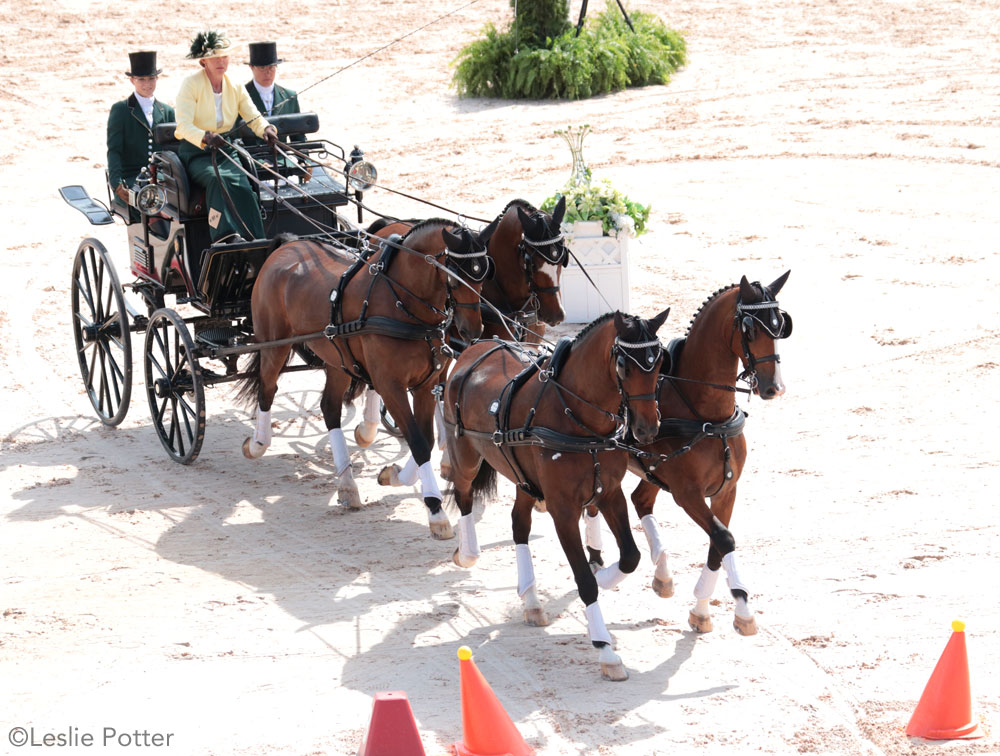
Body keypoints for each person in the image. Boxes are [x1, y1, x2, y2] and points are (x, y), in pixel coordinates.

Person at [174, 30, 278, 243]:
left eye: (224, 56)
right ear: (204, 61)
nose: (221, 61)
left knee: (244, 184)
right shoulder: (190, 84)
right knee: (215, 179)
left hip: (225, 149)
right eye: (215, 57)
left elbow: (253, 116)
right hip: (196, 152)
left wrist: (266, 129)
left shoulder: (235, 85)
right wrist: (205, 137)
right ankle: (224, 235)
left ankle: (255, 236)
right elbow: (183, 126)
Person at [106, 51, 175, 220]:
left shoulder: (167, 111)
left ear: (157, 79)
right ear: (132, 80)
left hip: (161, 177)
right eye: (141, 79)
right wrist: (116, 184)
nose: (147, 84)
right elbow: (114, 150)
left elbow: (173, 149)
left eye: (151, 78)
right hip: (133, 178)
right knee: (149, 202)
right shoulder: (121, 110)